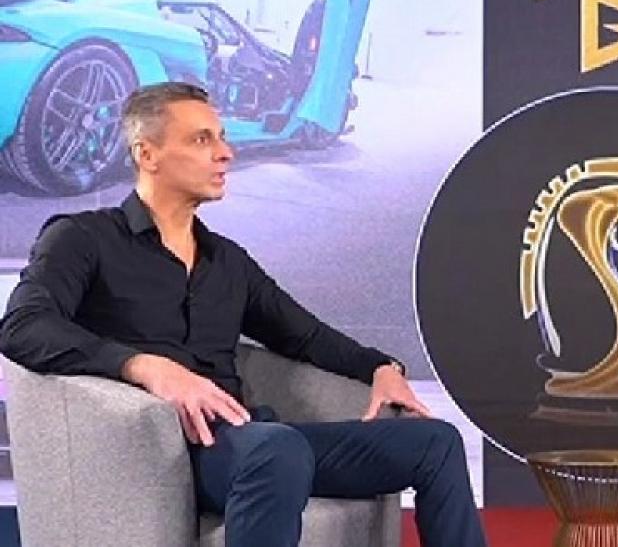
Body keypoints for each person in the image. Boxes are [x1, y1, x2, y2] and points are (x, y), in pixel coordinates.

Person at [0, 82, 488, 547]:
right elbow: (22, 327)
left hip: (246, 444)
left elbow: (304, 335)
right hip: (156, 446)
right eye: (202, 140)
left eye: (222, 138)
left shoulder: (226, 261)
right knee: (276, 447)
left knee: (436, 443)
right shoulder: (83, 238)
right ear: (147, 154)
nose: (225, 153)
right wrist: (145, 367)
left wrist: (380, 366)